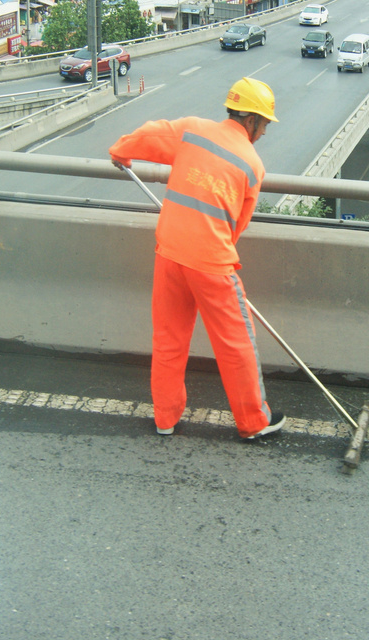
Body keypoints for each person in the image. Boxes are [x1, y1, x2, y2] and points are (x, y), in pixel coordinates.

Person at [109, 77, 285, 441]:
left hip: (170, 252)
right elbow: (237, 227)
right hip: (212, 263)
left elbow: (151, 135)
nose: (265, 131)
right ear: (251, 119)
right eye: (265, 123)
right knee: (236, 344)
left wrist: (121, 150)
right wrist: (213, 246)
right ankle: (253, 422)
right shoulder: (253, 166)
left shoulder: (192, 131)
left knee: (169, 339)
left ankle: (165, 419)